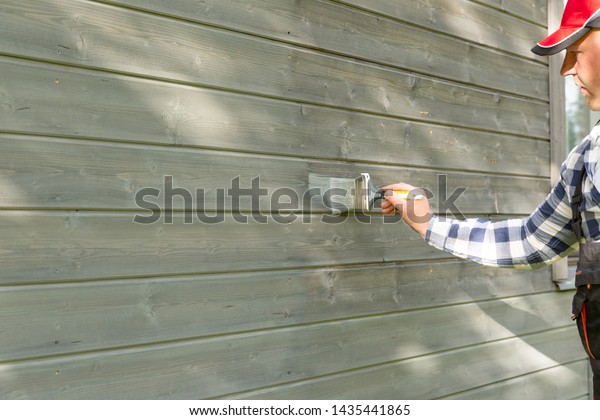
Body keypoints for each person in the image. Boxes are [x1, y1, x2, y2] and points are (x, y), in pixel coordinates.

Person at [380, 0, 600, 399]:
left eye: (575, 51)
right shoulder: (587, 156)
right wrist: (429, 224)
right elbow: (533, 240)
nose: (567, 69)